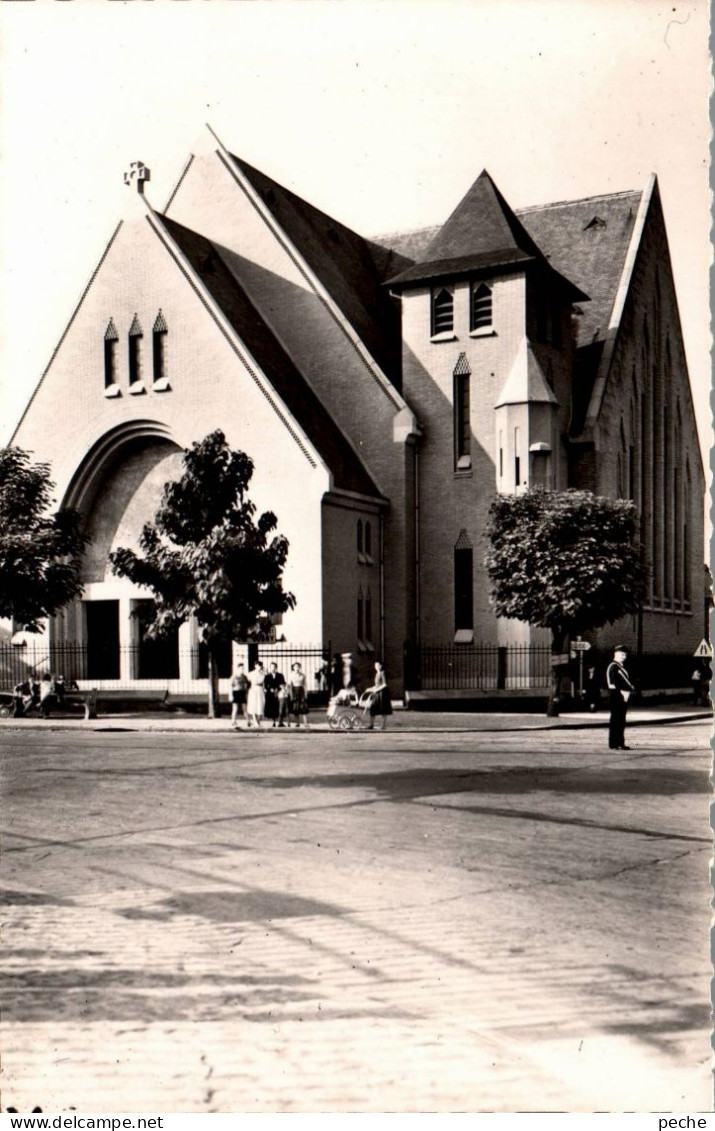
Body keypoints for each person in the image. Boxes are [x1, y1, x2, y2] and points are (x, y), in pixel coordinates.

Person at [606, 645, 635, 750]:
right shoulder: (613, 666)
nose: (623, 656)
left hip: (622, 696)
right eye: (621, 654)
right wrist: (624, 690)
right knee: (615, 720)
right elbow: (613, 682)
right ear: (616, 654)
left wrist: (629, 689)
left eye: (625, 655)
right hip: (616, 695)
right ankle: (613, 743)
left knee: (621, 721)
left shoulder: (620, 667)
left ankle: (620, 742)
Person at [364, 661, 392, 731]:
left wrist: (376, 690)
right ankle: (371, 725)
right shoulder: (377, 674)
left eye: (377, 665)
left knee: (383, 710)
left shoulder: (383, 673)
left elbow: (385, 684)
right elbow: (377, 685)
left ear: (381, 666)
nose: (376, 667)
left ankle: (383, 726)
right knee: (373, 708)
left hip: (383, 694)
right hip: (376, 694)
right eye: (375, 665)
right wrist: (370, 689)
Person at [264, 662, 286, 728]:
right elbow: (265, 685)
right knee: (272, 707)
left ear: (276, 668)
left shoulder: (280, 675)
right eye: (271, 667)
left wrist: (278, 689)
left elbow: (282, 683)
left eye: (274, 667)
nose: (273, 668)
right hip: (270, 694)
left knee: (279, 707)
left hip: (278, 693)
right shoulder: (267, 676)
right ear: (270, 668)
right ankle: (273, 722)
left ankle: (280, 722)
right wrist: (270, 689)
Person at [288, 662, 310, 728]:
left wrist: (306, 693)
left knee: (303, 707)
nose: (297, 668)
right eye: (295, 667)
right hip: (294, 690)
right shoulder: (291, 675)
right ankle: (297, 723)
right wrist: (291, 694)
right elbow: (290, 685)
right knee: (295, 707)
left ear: (300, 667)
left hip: (301, 691)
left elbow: (305, 684)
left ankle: (305, 723)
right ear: (293, 667)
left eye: (298, 667)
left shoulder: (303, 675)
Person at [229, 663, 249, 729]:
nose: (242, 670)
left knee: (245, 708)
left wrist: (246, 693)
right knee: (235, 708)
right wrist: (231, 695)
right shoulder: (234, 676)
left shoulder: (244, 677)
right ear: (238, 669)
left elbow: (247, 685)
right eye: (241, 668)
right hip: (236, 692)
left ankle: (248, 721)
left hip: (242, 693)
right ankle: (233, 721)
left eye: (243, 668)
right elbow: (230, 686)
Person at [246, 661, 266, 728]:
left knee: (260, 705)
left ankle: (258, 721)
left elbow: (264, 683)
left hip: (260, 690)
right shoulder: (251, 673)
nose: (259, 667)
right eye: (257, 665)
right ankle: (254, 721)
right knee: (253, 705)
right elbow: (247, 682)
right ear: (255, 666)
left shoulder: (263, 674)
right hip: (253, 689)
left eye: (260, 666)